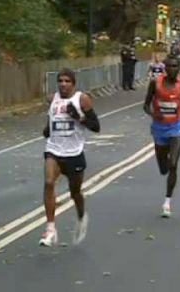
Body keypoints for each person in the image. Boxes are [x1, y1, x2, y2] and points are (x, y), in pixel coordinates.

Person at [39, 68, 100, 247]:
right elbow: (50, 122)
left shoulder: (82, 100)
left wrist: (78, 117)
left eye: (67, 81)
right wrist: (47, 130)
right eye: (60, 81)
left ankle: (81, 216)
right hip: (54, 150)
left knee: (75, 193)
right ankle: (50, 229)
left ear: (73, 84)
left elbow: (96, 126)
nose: (63, 84)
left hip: (74, 153)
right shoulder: (52, 99)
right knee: (49, 182)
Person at [143, 55, 180, 218]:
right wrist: (153, 114)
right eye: (170, 66)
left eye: (176, 66)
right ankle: (164, 166)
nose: (173, 69)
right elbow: (145, 105)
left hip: (176, 126)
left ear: (179, 68)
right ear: (165, 68)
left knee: (173, 164)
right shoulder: (155, 83)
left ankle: (167, 202)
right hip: (159, 128)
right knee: (163, 168)